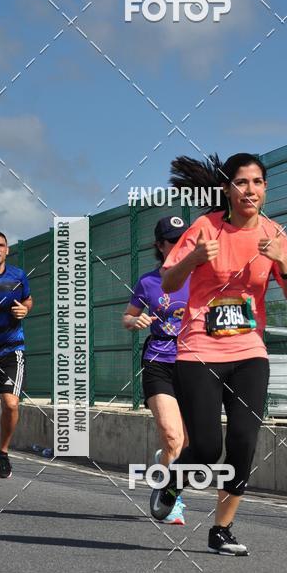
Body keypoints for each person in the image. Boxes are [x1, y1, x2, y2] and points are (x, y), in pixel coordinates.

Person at [150, 152, 287, 555]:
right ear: (227, 189)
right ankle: (171, 482)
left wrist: (283, 263)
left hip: (249, 351)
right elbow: (168, 281)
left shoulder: (274, 234)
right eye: (241, 183)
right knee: (203, 448)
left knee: (242, 441)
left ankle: (221, 529)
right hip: (199, 348)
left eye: (257, 182)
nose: (250, 190)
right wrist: (196, 259)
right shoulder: (205, 228)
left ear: (265, 188)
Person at [123, 216, 190, 524]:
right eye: (172, 242)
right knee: (173, 437)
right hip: (158, 361)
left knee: (189, 444)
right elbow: (128, 317)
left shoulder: (202, 277)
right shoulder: (148, 282)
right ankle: (172, 500)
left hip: (194, 364)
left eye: (184, 240)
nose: (179, 247)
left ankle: (162, 463)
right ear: (159, 246)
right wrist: (134, 322)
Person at [0, 230, 33, 484]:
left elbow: (28, 300)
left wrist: (25, 309)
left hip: (11, 349)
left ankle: (2, 451)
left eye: (1, 245)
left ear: (7, 249)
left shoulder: (18, 275)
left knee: (11, 403)